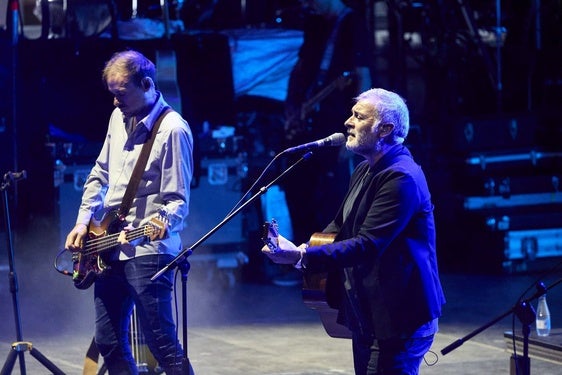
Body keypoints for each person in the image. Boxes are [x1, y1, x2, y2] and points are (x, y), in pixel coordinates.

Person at [263, 88, 446, 375]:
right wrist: (299, 247)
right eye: (352, 114)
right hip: (369, 315)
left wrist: (302, 256)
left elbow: (367, 245)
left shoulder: (401, 177)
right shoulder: (364, 169)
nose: (348, 122)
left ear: (386, 128)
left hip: (400, 318)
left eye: (359, 117)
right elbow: (340, 227)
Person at [65, 50, 194, 374]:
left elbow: (177, 201)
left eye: (120, 94)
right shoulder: (117, 119)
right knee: (108, 340)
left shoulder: (172, 130)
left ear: (147, 84)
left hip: (147, 249)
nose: (114, 103)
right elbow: (100, 174)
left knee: (160, 343)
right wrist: (84, 222)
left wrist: (161, 221)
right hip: (108, 247)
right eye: (112, 95)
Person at [281, 0, 373, 247]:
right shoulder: (315, 23)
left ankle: (334, 266)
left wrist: (359, 129)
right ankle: (304, 257)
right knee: (297, 188)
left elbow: (363, 77)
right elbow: (300, 67)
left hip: (334, 125)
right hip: (307, 123)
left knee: (335, 199)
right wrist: (291, 106)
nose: (307, 4)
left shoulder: (352, 23)